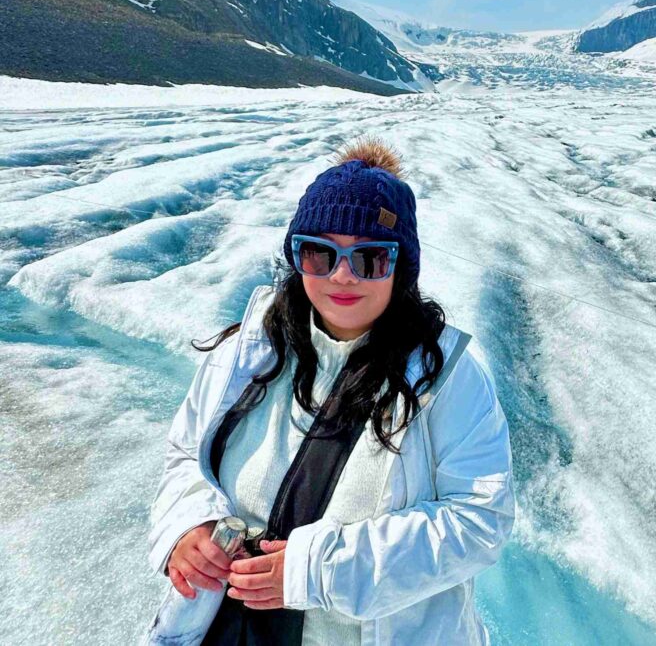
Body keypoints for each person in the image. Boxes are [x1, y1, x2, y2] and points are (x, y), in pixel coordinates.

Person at [144, 137, 516, 645]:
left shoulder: (445, 378)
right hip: (223, 628)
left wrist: (315, 571)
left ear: (400, 267)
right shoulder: (251, 350)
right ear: (297, 259)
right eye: (320, 254)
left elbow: (478, 519)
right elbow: (187, 454)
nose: (342, 275)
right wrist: (190, 526)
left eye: (369, 259)